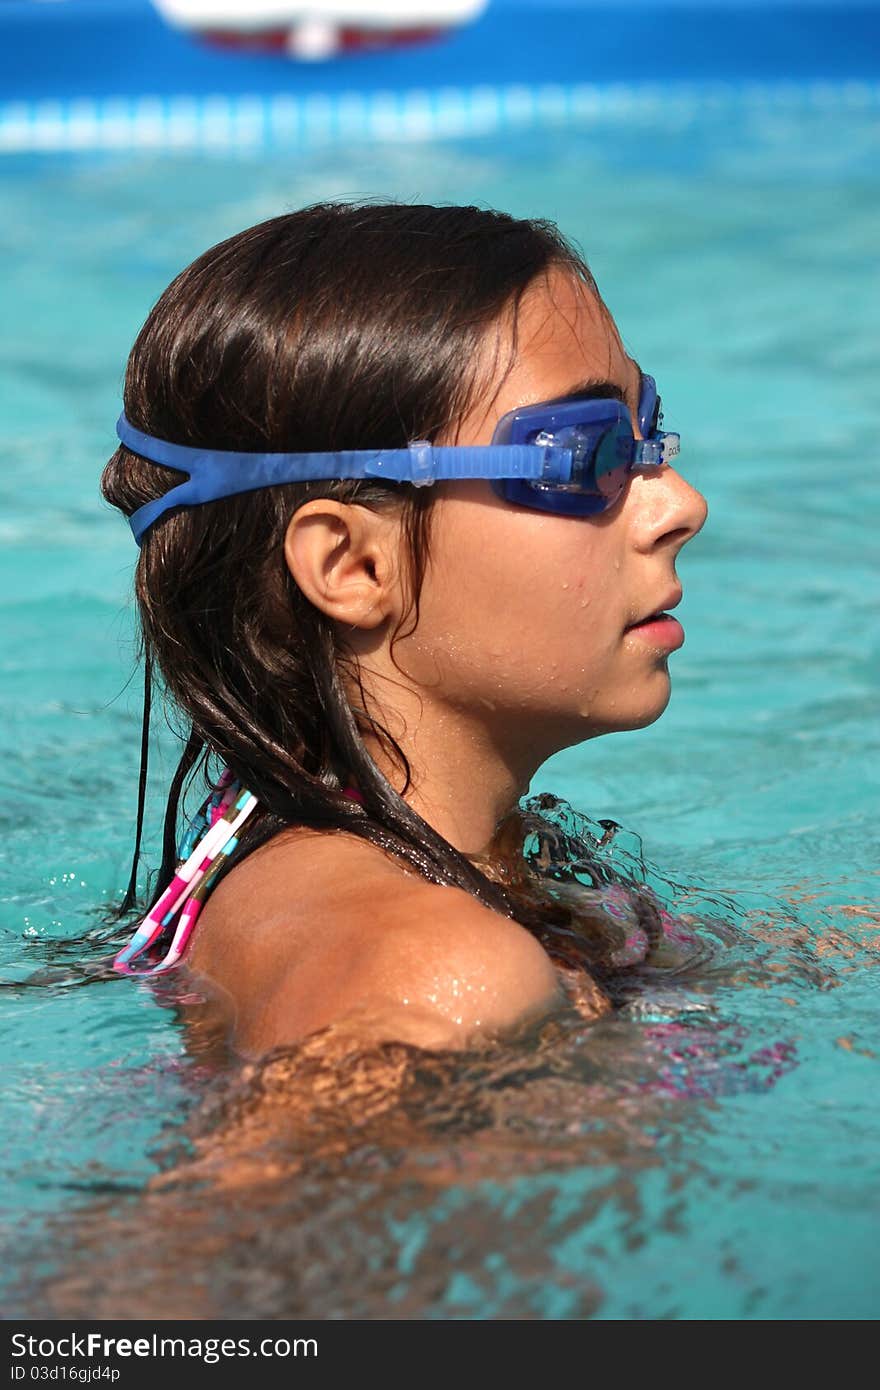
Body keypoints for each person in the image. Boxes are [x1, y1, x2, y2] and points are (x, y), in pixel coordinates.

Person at [102, 199, 707, 1059]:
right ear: (354, 567)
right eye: (587, 454)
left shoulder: (298, 854)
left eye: (646, 425)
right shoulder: (433, 973)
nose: (681, 505)